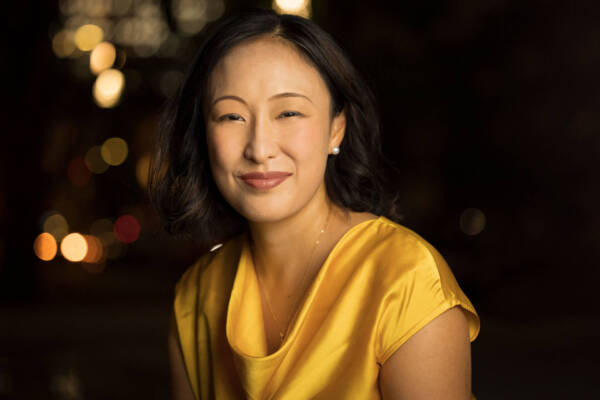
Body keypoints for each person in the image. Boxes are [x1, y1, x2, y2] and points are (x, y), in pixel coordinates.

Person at [149, 8, 480, 400]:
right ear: (203, 134)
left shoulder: (406, 281)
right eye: (231, 116)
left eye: (288, 112)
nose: (259, 148)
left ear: (335, 129)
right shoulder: (195, 296)